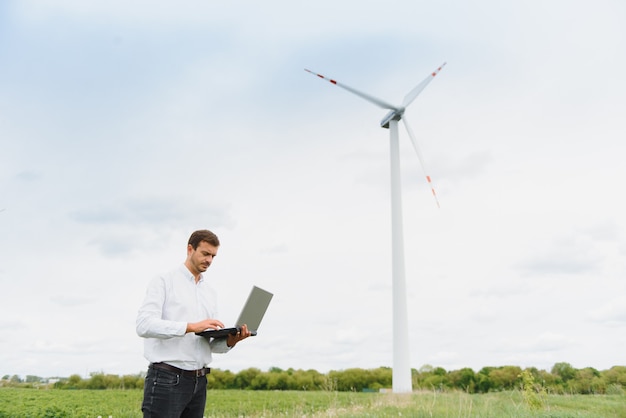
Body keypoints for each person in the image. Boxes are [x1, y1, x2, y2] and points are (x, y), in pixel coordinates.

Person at [136, 229, 251, 418]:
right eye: (205, 254)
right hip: (167, 379)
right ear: (190, 249)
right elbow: (143, 325)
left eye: (213, 256)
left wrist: (231, 341)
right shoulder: (164, 281)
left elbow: (209, 346)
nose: (209, 260)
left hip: (199, 381)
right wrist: (190, 326)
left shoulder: (210, 293)